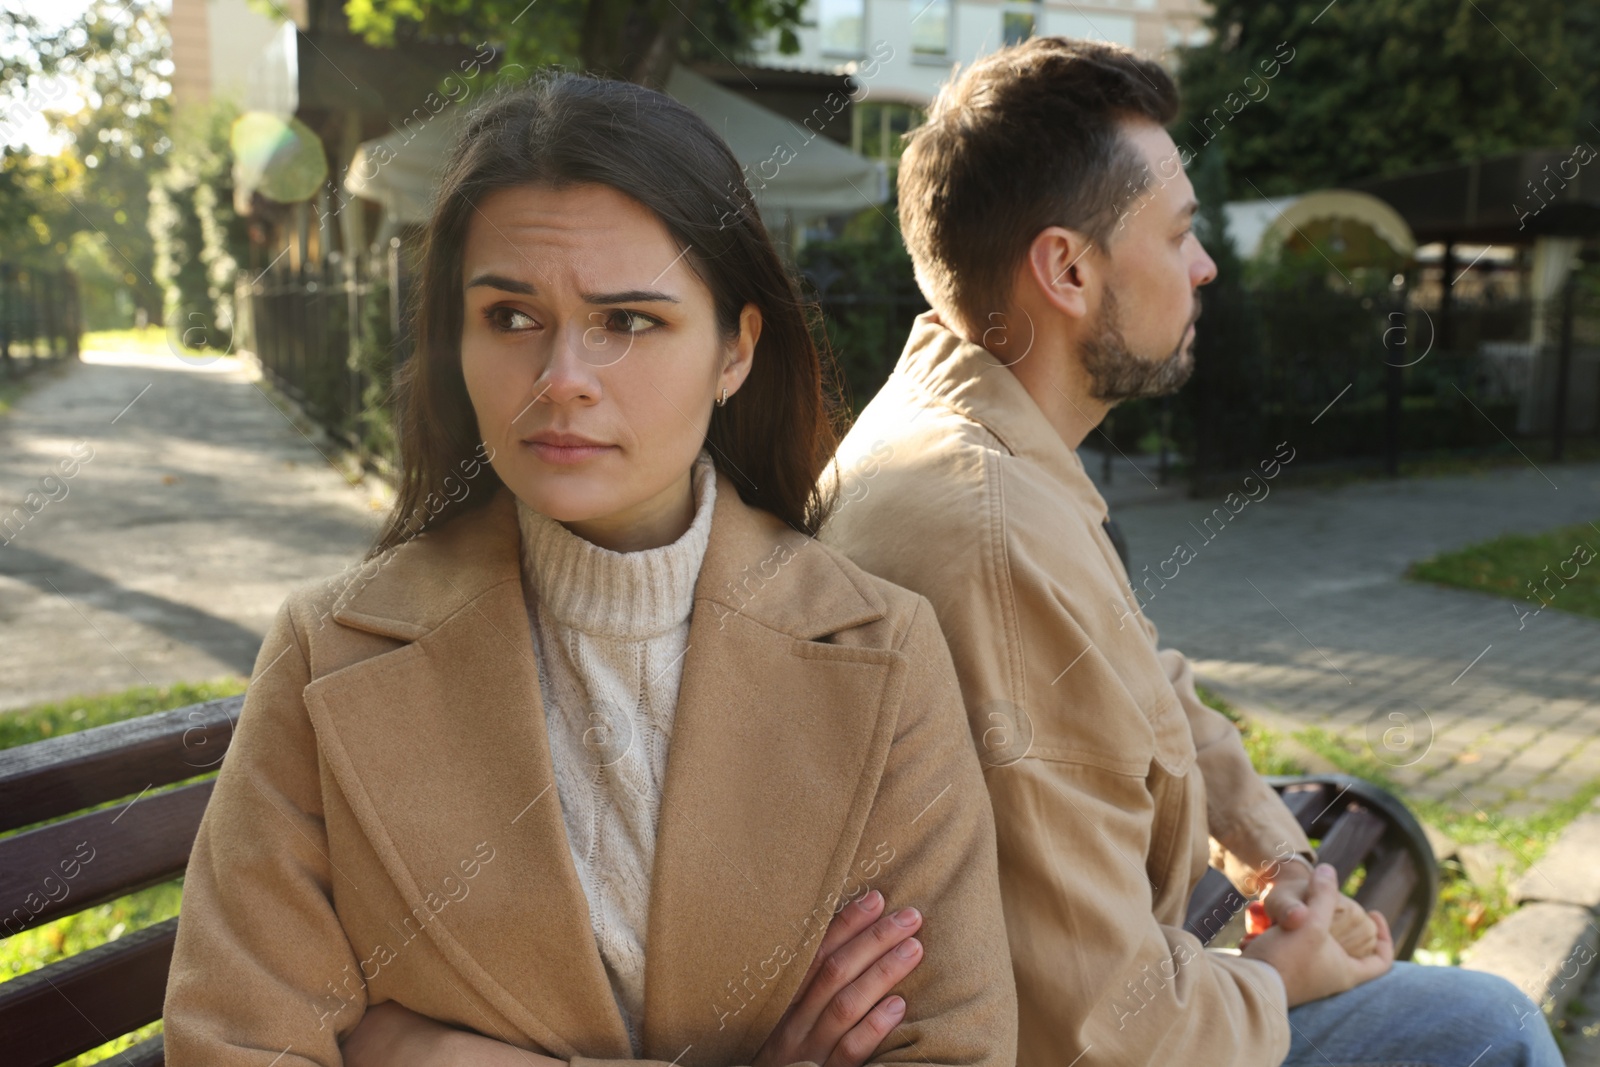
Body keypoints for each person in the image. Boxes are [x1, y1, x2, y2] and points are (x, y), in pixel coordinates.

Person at [161, 72, 1017, 1067]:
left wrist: (425, 1050)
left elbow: (950, 1042)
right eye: (511, 317)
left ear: (735, 349)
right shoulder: (327, 653)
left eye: (629, 321)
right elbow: (238, 1042)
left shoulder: (884, 649)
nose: (562, 376)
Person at [817, 35, 1561, 1067]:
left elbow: (1140, 685)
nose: (1204, 265)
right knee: (1484, 1027)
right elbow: (1097, 1023)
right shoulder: (988, 533)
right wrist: (1274, 979)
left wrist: (1275, 853)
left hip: (1128, 978)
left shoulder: (983, 449)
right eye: (1177, 235)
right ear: (1067, 269)